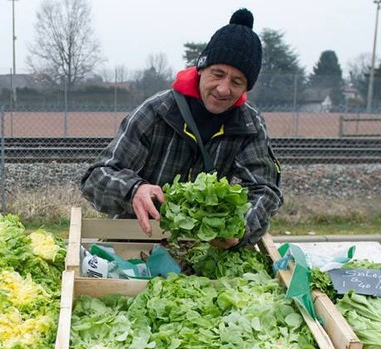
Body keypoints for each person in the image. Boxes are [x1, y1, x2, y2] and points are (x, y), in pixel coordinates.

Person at [80, 8, 282, 249]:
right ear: (201, 69)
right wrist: (134, 190)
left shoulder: (249, 125)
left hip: (205, 252)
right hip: (136, 243)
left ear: (246, 87)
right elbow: (96, 177)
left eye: (237, 82)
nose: (223, 89)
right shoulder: (157, 111)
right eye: (217, 74)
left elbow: (265, 190)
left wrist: (240, 228)